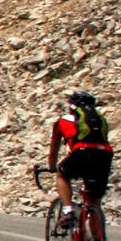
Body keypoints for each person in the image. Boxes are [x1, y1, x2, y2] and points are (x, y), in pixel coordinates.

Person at [48, 89, 112, 227]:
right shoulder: (99, 119)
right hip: (105, 154)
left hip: (82, 152)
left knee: (62, 174)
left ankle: (68, 211)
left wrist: (52, 167)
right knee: (94, 201)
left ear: (71, 106)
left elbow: (54, 151)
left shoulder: (63, 121)